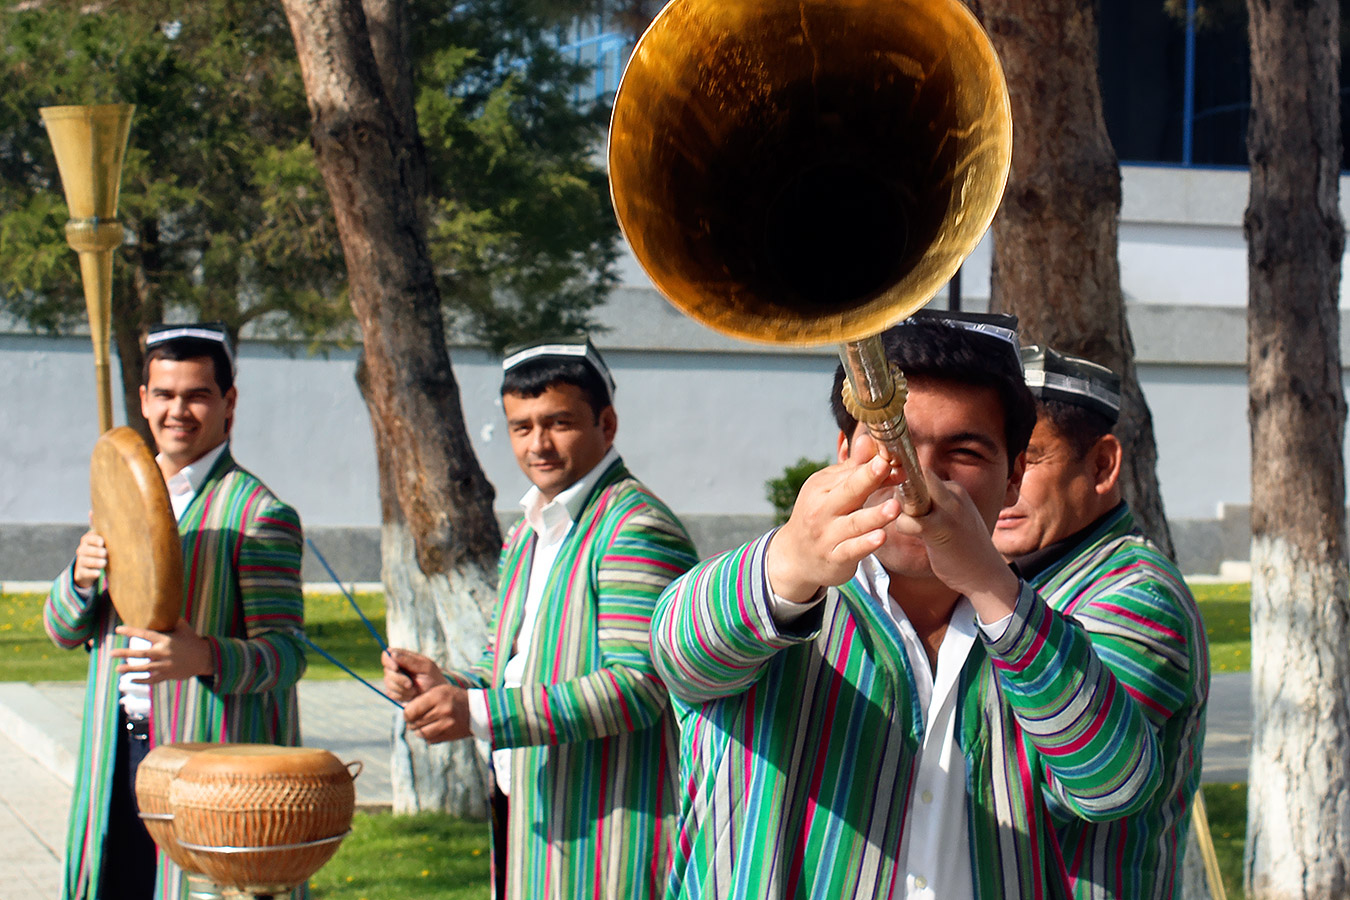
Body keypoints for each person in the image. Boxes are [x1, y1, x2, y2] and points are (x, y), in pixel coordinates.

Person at [650, 311, 1191, 899]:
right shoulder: (774, 593)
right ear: (842, 450)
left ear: (1013, 479)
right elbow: (680, 654)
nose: (917, 476)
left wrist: (991, 583)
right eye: (890, 442)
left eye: (963, 453)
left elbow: (1114, 786)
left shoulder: (1030, 630)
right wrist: (791, 559)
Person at [382, 337, 697, 900]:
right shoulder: (528, 532)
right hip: (532, 825)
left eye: (558, 423)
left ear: (607, 422)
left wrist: (477, 711)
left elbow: (639, 687)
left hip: (610, 841)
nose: (538, 445)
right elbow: (507, 666)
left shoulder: (635, 527)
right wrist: (446, 684)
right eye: (521, 427)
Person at [44, 323, 307, 900]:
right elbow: (62, 631)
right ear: (143, 400)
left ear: (228, 402)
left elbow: (287, 656)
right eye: (163, 394)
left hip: (204, 763)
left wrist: (202, 656)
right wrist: (82, 576)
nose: (178, 410)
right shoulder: (119, 498)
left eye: (197, 394)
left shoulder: (259, 514)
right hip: (117, 749)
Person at [992, 345, 1208, 899]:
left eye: (1030, 459)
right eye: (989, 456)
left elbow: (1034, 796)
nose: (1003, 486)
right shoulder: (1019, 580)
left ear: (1103, 465)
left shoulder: (1139, 598)